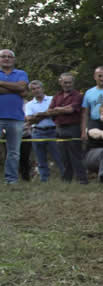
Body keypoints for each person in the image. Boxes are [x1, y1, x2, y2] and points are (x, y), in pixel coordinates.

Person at [48, 73, 88, 184]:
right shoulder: (57, 96)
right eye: (65, 82)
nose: (67, 85)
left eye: (69, 82)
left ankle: (82, 179)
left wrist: (58, 109)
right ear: (60, 82)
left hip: (73, 128)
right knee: (63, 156)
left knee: (76, 155)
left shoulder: (78, 96)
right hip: (59, 128)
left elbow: (71, 109)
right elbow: (50, 110)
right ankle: (66, 179)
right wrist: (61, 109)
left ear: (73, 83)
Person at [23, 80, 64, 182]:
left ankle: (65, 176)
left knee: (58, 156)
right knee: (40, 158)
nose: (36, 90)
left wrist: (38, 115)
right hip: (37, 132)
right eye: (33, 89)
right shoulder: (29, 104)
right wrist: (46, 114)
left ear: (42, 88)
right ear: (31, 91)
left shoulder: (52, 99)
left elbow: (55, 113)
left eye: (38, 88)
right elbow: (29, 119)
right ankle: (44, 179)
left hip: (52, 131)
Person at [0, 49, 28, 184]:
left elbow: (22, 88)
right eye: (3, 56)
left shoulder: (21, 73)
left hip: (16, 118)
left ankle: (11, 180)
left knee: (14, 152)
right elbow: (19, 90)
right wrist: (16, 89)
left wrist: (1, 84)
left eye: (9, 57)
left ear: (14, 59)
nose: (6, 59)